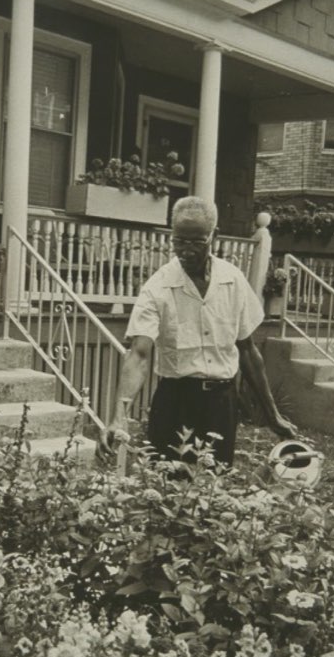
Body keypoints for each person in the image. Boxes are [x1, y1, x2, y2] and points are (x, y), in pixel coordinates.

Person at [98, 196, 296, 466]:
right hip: (175, 402)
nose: (186, 250)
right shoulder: (158, 287)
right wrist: (119, 416)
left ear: (214, 235)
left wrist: (272, 415)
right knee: (165, 486)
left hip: (222, 403)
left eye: (196, 242)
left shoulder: (233, 280)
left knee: (214, 488)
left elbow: (247, 350)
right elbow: (139, 355)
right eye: (179, 241)